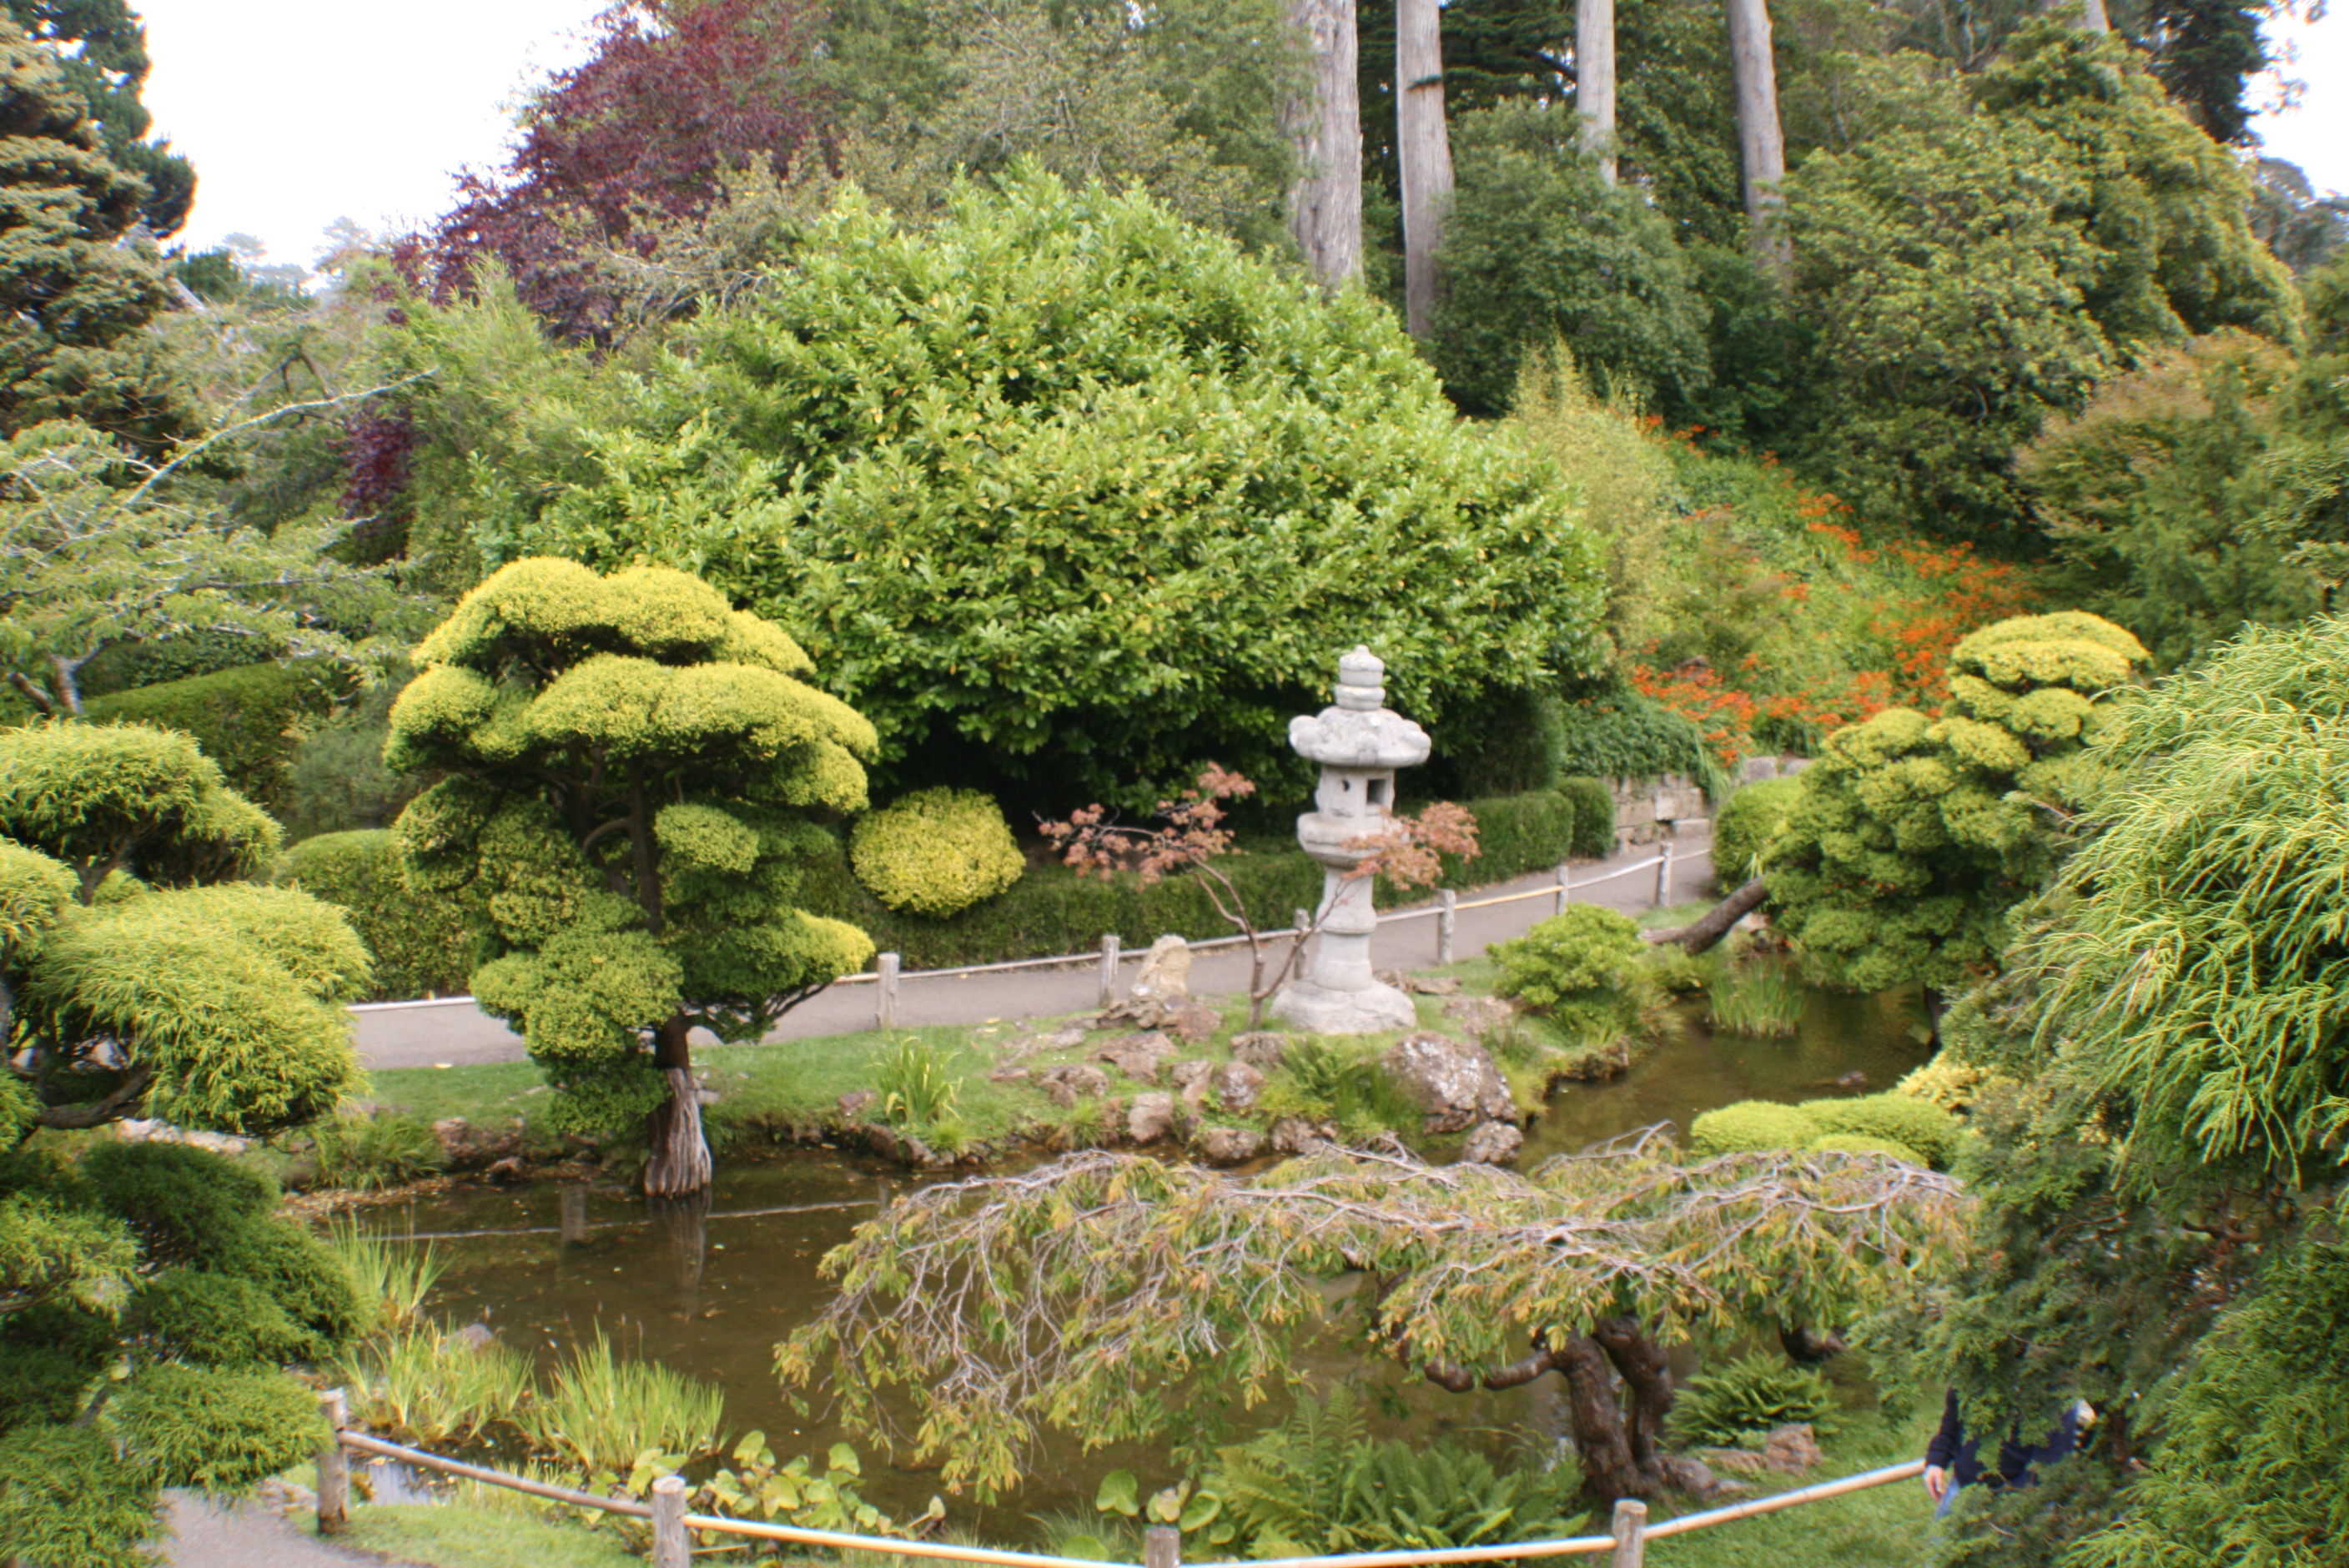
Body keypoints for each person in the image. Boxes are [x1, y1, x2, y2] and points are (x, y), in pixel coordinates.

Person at [1922, 1389, 2080, 1519]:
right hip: (1962, 1488)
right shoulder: (1975, 1372)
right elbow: (1951, 1425)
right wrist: (1937, 1459)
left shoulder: (2054, 1393)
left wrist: (2005, 1507)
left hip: (2014, 1503)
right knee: (1941, 1547)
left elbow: (2046, 1468)